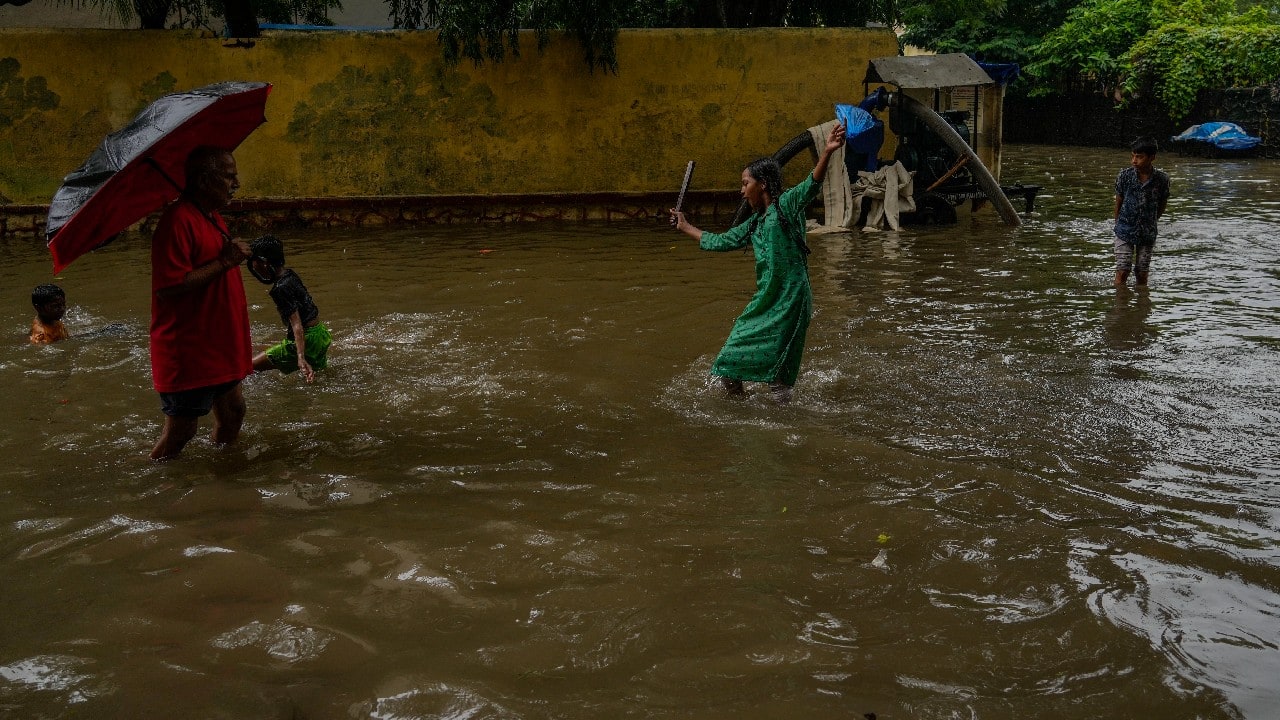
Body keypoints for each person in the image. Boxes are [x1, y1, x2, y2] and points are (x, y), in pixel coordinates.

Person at [670, 122, 846, 401]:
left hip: (791, 297)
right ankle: (744, 407)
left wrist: (826, 152)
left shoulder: (787, 205)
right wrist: (685, 226)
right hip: (766, 300)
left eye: (745, 183)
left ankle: (781, 424)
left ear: (762, 184)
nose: (742, 191)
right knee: (727, 367)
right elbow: (722, 241)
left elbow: (811, 184)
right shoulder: (754, 224)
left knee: (778, 377)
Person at [149, 145, 253, 461]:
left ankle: (223, 475)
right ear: (204, 181)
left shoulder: (211, 217)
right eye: (229, 177)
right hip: (190, 349)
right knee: (182, 431)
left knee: (234, 413)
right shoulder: (177, 221)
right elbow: (170, 287)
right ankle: (156, 487)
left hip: (217, 345)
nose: (236, 184)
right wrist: (225, 262)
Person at [248, 234, 331, 383]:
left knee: (249, 368)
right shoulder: (290, 274)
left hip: (306, 339)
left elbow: (297, 324)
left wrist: (300, 356)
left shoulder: (279, 289)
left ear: (263, 263)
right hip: (319, 334)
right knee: (316, 379)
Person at [1113, 136, 1171, 287]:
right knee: (1123, 270)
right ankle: (1120, 306)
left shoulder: (1162, 179)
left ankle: (1142, 306)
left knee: (1142, 272)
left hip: (1147, 232)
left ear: (1152, 158)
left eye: (1139, 157)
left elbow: (1162, 204)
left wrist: (1152, 220)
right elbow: (1118, 201)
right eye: (1132, 156)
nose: (1134, 161)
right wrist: (1118, 223)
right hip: (1124, 229)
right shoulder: (1125, 176)